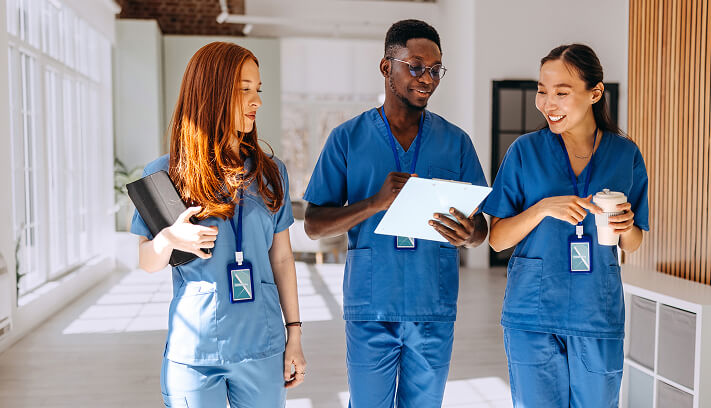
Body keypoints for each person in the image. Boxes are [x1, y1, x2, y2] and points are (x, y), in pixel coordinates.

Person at [303, 19, 488, 408]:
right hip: (372, 306)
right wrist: (373, 203)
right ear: (387, 67)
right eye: (416, 66)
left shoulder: (455, 142)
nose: (427, 78)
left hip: (432, 306)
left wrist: (468, 233)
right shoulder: (347, 139)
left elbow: (481, 228)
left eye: (436, 70)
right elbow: (314, 224)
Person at [130, 41, 306, 408]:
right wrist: (168, 238)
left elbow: (283, 261)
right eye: (244, 90)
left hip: (263, 342)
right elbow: (147, 261)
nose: (257, 100)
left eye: (258, 90)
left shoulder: (272, 173)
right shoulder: (163, 174)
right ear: (210, 92)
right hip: (194, 351)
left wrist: (295, 336)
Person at [484, 43, 649, 407]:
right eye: (542, 92)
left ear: (595, 92)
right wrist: (542, 208)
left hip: (596, 312)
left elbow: (634, 243)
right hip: (532, 312)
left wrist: (626, 225)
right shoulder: (524, 152)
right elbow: (496, 239)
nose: (547, 104)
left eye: (562, 92)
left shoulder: (625, 155)